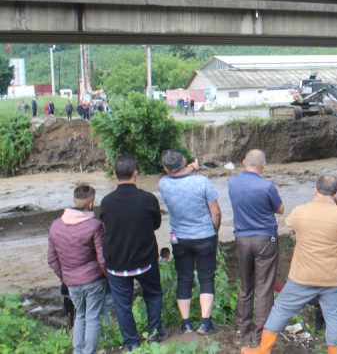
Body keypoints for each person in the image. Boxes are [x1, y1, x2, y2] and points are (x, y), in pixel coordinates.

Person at [243, 175, 337, 354]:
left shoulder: (300, 211)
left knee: (281, 310)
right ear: (336, 194)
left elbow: (290, 225)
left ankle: (263, 350)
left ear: (315, 190)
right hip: (335, 279)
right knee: (334, 319)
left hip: (303, 276)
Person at [101, 155, 165, 350]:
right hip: (145, 260)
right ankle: (154, 335)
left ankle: (131, 343)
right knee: (153, 295)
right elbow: (156, 224)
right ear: (135, 174)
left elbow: (105, 227)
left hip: (117, 263)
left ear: (114, 174)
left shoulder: (106, 202)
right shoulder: (148, 199)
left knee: (123, 305)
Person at [159, 150, 222, 335]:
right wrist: (213, 230)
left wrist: (188, 168)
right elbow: (216, 211)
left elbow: (175, 176)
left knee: (184, 278)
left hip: (180, 238)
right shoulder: (201, 181)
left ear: (165, 168)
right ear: (185, 162)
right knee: (206, 278)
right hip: (205, 236)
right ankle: (205, 324)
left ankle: (186, 324)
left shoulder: (163, 184)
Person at [228, 149, 284, 342]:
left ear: (244, 162)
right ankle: (259, 333)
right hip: (264, 239)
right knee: (264, 287)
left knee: (246, 285)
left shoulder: (232, 182)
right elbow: (280, 209)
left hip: (242, 238)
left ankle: (241, 328)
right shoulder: (267, 185)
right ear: (264, 165)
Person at [47, 185, 106, 354]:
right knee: (92, 317)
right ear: (90, 204)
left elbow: (51, 259)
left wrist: (65, 277)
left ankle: (78, 351)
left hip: (71, 282)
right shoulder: (94, 225)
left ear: (74, 201)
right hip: (93, 279)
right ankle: (89, 352)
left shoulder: (55, 226)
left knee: (80, 315)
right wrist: (106, 276)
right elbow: (102, 258)